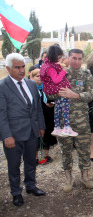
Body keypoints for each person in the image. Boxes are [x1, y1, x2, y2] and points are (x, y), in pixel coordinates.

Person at [0, 53, 46, 207]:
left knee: (31, 162)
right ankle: (16, 193)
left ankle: (31, 186)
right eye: (17, 67)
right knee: (14, 165)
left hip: (32, 132)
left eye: (23, 67)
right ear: (8, 68)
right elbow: (1, 114)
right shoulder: (2, 86)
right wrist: (6, 135)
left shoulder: (31, 84)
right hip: (13, 135)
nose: (21, 70)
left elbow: (38, 108)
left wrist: (41, 126)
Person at [47, 49, 93, 192]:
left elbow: (92, 93)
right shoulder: (60, 73)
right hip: (63, 122)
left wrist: (75, 95)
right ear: (68, 58)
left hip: (81, 121)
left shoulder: (86, 74)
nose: (77, 61)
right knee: (66, 151)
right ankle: (69, 178)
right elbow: (49, 92)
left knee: (84, 150)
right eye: (74, 58)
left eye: (80, 58)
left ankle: (85, 176)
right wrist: (58, 94)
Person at [40, 44, 77, 137]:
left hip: (52, 90)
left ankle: (57, 127)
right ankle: (67, 127)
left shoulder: (46, 64)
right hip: (59, 90)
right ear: (54, 56)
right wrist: (63, 71)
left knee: (58, 108)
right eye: (59, 57)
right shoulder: (50, 68)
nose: (59, 60)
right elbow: (56, 79)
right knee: (65, 108)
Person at [29, 69, 57, 164]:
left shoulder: (47, 88)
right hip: (35, 116)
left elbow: (52, 98)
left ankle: (46, 154)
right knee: (36, 135)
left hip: (47, 115)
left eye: (41, 76)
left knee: (47, 133)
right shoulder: (30, 89)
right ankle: (35, 156)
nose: (40, 78)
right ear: (31, 77)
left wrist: (52, 103)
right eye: (37, 76)